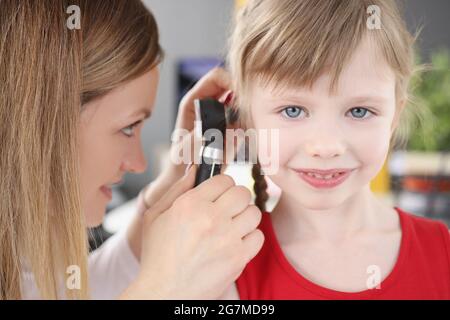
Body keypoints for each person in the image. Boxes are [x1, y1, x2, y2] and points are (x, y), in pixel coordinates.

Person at [0, 0, 263, 299]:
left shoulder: (22, 259)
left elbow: (82, 290)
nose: (138, 164)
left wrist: (177, 175)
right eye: (128, 127)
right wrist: (163, 287)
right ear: (41, 121)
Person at [220, 0, 450, 299]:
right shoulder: (226, 268)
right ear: (247, 118)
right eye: (292, 110)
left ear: (394, 117)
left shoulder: (442, 252)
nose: (326, 147)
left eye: (358, 111)